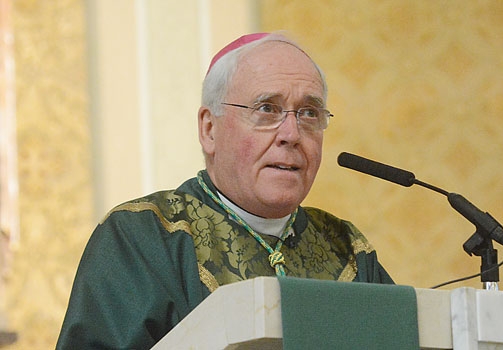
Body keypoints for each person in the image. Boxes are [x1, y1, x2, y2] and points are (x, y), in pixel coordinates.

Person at [56, 32, 393, 349]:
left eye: (309, 113)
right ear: (209, 129)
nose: (291, 134)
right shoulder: (144, 236)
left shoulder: (348, 249)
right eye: (267, 109)